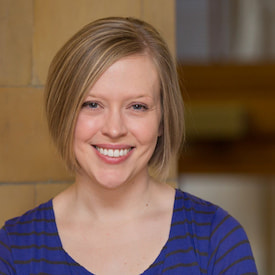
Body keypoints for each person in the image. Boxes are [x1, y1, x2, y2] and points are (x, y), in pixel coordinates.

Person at [0, 17, 257, 275]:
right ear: (64, 113)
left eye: (137, 106)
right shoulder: (14, 249)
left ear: (162, 120)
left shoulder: (216, 240)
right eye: (92, 104)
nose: (114, 129)